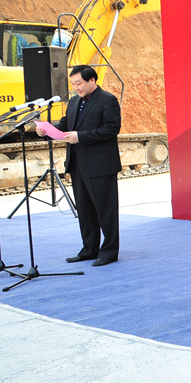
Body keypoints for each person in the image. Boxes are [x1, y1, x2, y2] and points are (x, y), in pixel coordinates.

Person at [57, 65, 122, 267]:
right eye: (73, 84)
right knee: (84, 210)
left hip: (101, 164)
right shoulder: (74, 101)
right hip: (77, 164)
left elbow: (111, 129)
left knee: (105, 210)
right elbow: (66, 124)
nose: (76, 87)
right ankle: (89, 249)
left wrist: (81, 137)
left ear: (92, 80)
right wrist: (47, 130)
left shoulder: (108, 100)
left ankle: (109, 251)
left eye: (79, 83)